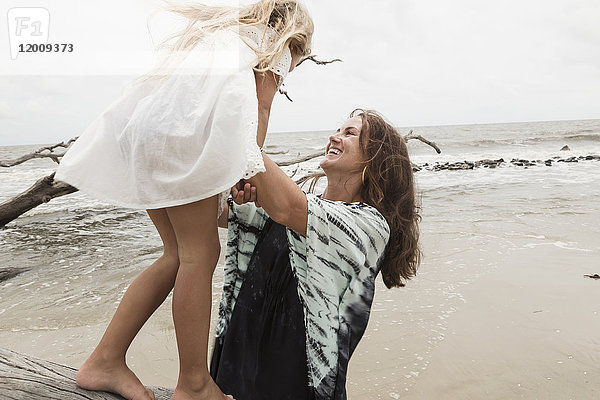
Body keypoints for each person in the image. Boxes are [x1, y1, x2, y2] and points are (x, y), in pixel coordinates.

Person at [54, 1, 314, 399]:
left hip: (143, 132)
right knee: (200, 254)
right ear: (292, 38)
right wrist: (245, 172)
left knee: (176, 253)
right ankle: (194, 385)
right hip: (178, 137)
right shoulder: (270, 44)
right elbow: (259, 108)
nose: (291, 69)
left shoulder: (218, 37)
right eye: (299, 58)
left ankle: (105, 361)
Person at [210, 109, 422, 400]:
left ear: (375, 157)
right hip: (235, 373)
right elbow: (216, 213)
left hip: (295, 387)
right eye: (338, 129)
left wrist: (251, 116)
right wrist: (231, 187)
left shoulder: (369, 224)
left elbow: (288, 207)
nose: (334, 137)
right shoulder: (293, 205)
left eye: (350, 133)